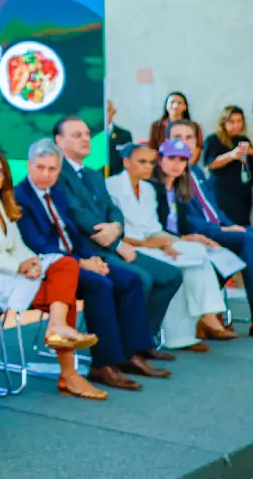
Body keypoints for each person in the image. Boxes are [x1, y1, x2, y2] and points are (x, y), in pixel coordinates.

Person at [0, 151, 104, 400]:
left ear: (4, 178)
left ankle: (57, 328)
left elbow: (17, 244)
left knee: (65, 265)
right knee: (64, 298)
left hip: (8, 274)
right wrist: (17, 266)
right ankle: (68, 371)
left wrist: (30, 261)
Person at [16, 139, 170, 391]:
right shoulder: (19, 197)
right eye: (40, 168)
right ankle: (104, 364)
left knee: (130, 280)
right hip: (50, 267)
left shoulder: (57, 193)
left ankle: (133, 352)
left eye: (52, 169)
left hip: (75, 259)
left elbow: (74, 234)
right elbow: (38, 244)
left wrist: (91, 258)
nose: (46, 175)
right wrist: (82, 263)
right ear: (29, 165)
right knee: (100, 284)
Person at [53, 116, 181, 361]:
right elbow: (78, 215)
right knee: (140, 279)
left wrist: (116, 228)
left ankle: (142, 341)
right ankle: (129, 351)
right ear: (59, 141)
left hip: (111, 243)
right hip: (89, 250)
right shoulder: (57, 174)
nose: (85, 139)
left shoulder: (93, 175)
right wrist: (115, 242)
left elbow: (113, 210)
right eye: (76, 135)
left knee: (170, 275)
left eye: (87, 134)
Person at [105, 143, 231, 350]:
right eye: (142, 162)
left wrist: (173, 242)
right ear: (126, 163)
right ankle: (203, 320)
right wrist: (149, 243)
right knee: (178, 268)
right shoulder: (112, 186)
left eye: (150, 163)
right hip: (129, 247)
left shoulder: (148, 189)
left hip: (152, 244)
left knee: (197, 252)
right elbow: (115, 231)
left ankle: (191, 328)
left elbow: (154, 228)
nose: (148, 167)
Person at [169, 119, 253, 333]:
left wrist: (230, 225)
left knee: (247, 233)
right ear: (167, 140)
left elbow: (214, 209)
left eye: (189, 138)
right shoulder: (170, 172)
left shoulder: (196, 172)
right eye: (177, 137)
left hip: (217, 228)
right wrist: (221, 230)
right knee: (247, 240)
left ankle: (209, 309)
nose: (184, 143)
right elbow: (186, 220)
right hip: (195, 234)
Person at [155, 140, 246, 308]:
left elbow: (186, 223)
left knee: (224, 253)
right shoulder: (153, 188)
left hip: (181, 238)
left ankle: (209, 316)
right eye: (171, 158)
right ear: (160, 160)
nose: (177, 164)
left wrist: (199, 237)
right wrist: (186, 237)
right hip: (162, 242)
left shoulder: (179, 189)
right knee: (204, 255)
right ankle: (208, 318)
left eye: (182, 160)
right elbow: (157, 227)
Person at [202, 106, 252, 227]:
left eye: (239, 121)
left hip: (242, 192)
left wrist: (250, 152)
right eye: (232, 121)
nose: (236, 125)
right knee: (225, 226)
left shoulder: (243, 139)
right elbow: (211, 164)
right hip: (222, 193)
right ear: (223, 122)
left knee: (243, 227)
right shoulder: (213, 139)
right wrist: (231, 155)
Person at [148, 92, 202, 159]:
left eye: (179, 103)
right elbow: (153, 149)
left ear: (185, 107)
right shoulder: (157, 126)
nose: (175, 105)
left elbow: (197, 149)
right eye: (172, 102)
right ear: (166, 106)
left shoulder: (194, 126)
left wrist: (186, 165)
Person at [107, 100, 134, 178]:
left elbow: (128, 159)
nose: (105, 114)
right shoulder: (91, 134)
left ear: (114, 112)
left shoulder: (124, 135)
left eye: (108, 110)